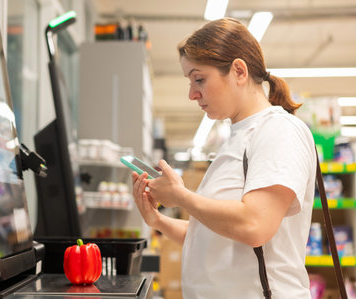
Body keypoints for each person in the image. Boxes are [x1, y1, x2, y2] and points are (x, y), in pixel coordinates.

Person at [132, 18, 316, 298]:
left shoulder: (278, 130)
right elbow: (213, 238)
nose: (192, 94)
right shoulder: (238, 140)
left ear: (238, 71)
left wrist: (181, 196)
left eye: (199, 79)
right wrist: (158, 221)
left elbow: (254, 225)